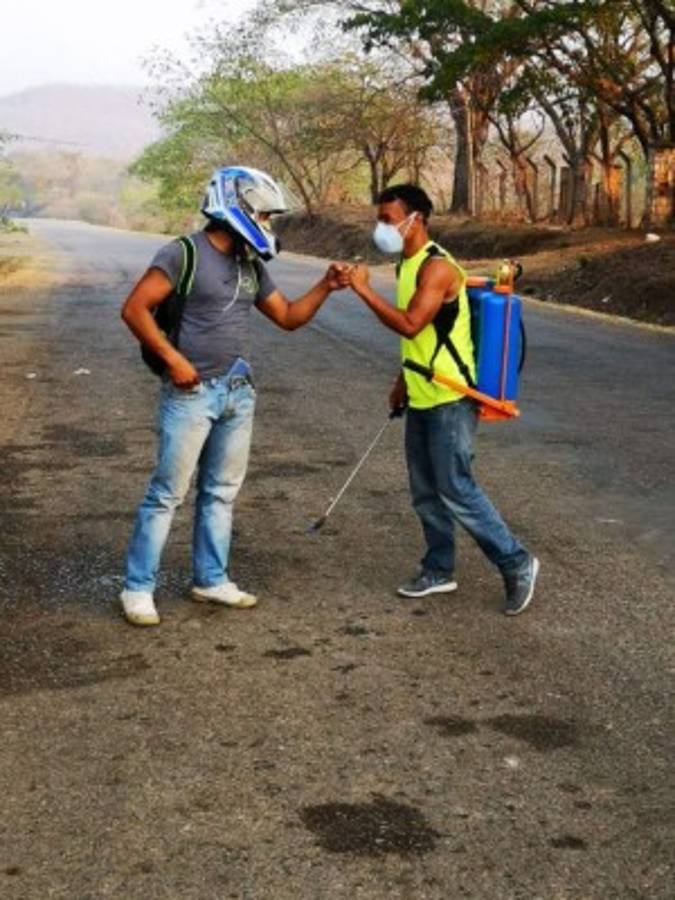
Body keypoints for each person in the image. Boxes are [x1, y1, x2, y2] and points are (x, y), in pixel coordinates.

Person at [119, 166, 345, 626]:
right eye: (263, 214)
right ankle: (138, 589)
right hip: (191, 394)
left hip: (238, 393)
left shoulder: (250, 263)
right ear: (234, 206)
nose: (267, 223)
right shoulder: (183, 253)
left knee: (221, 492)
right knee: (167, 494)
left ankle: (211, 579)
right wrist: (173, 359)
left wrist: (325, 285)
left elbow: (287, 317)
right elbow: (135, 309)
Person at [345, 183, 539, 615]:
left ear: (417, 219)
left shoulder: (437, 268)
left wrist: (361, 289)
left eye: (388, 219)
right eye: (380, 219)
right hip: (421, 389)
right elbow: (423, 339)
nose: (382, 228)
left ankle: (517, 561)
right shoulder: (406, 264)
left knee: (456, 487)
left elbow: (412, 324)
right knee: (425, 490)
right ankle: (439, 568)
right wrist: (402, 381)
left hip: (451, 396)